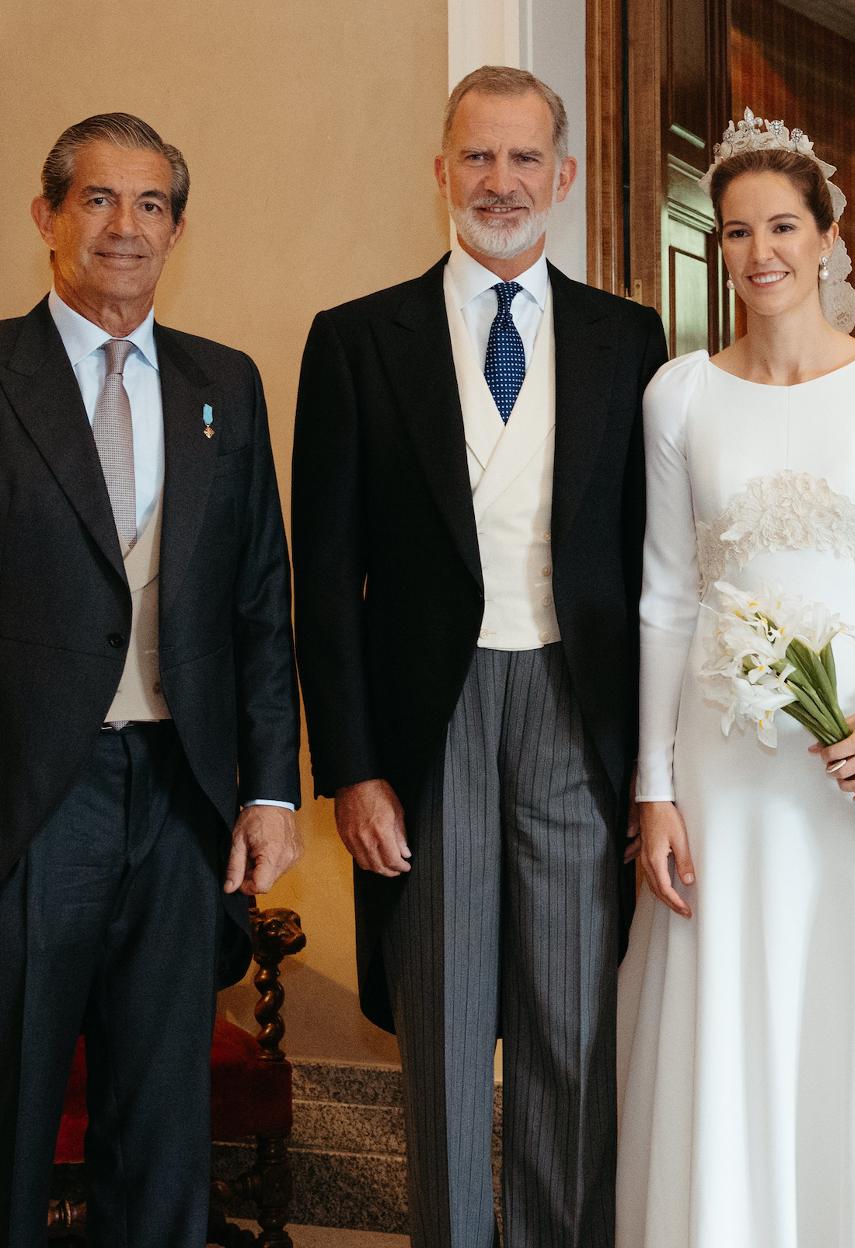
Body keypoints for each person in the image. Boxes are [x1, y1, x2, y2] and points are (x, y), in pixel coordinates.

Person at [616, 112, 855, 1247]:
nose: (759, 252)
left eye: (782, 225)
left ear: (830, 236)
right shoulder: (678, 396)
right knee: (736, 996)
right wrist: (655, 787)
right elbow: (665, 597)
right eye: (736, 231)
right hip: (725, 761)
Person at [292, 65, 666, 1248]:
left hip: (575, 708)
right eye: (476, 158)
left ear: (562, 178)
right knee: (448, 1031)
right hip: (429, 720)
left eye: (522, 160)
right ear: (441, 172)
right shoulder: (356, 340)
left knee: (571, 1028)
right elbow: (325, 580)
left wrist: (653, 766)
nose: (499, 183)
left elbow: (654, 564)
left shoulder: (627, 336)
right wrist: (353, 767)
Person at [0, 113, 301, 1247]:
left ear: (178, 227)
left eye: (152, 204)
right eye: (97, 200)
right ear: (48, 216)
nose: (125, 227)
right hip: (36, 797)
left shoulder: (225, 383)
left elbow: (257, 606)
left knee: (162, 1123)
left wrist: (271, 788)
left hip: (184, 799)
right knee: (18, 1111)